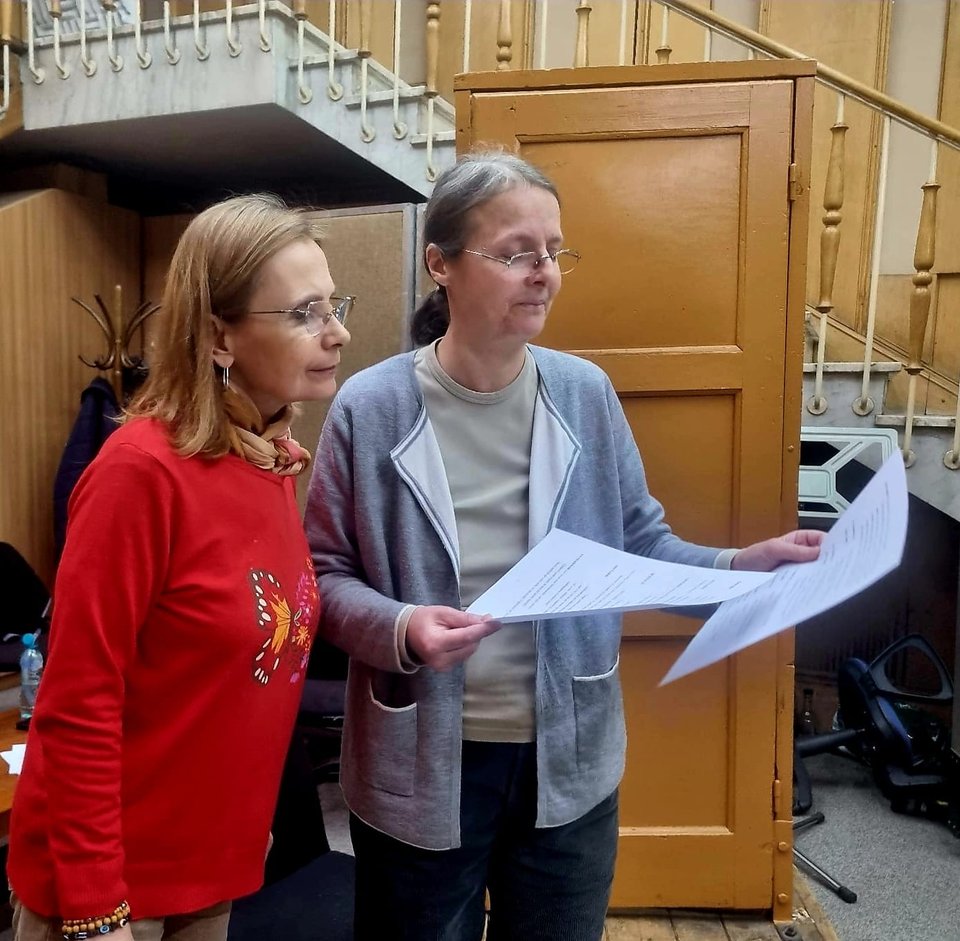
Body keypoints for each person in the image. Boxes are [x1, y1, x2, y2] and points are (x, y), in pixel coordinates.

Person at [304, 151, 823, 941]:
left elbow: (639, 543)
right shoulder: (369, 407)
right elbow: (325, 574)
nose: (544, 272)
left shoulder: (585, 394)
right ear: (440, 263)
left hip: (568, 761)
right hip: (422, 760)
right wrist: (402, 627)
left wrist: (738, 568)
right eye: (516, 253)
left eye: (554, 251)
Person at [8, 194, 352, 941]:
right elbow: (77, 702)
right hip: (113, 888)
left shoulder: (270, 461)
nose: (338, 331)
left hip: (210, 870)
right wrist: (96, 908)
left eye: (334, 304)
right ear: (219, 334)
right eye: (305, 313)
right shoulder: (140, 473)